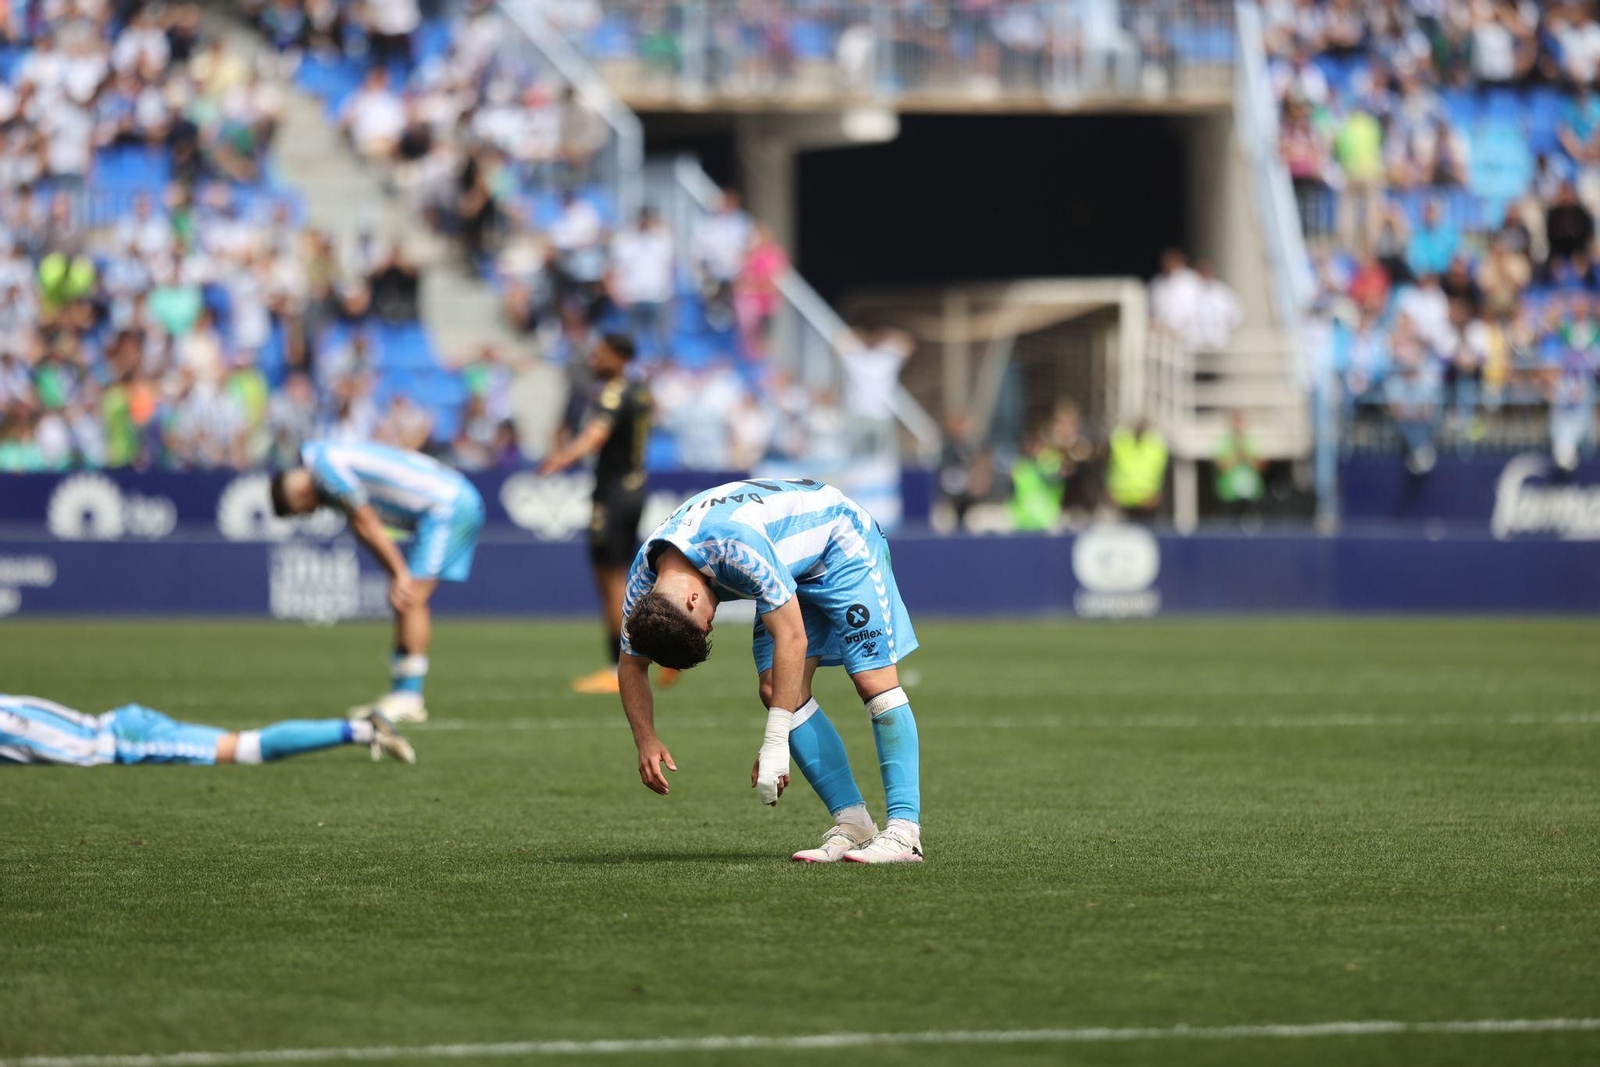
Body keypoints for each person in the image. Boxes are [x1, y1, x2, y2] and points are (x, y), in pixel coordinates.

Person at [616, 479, 925, 865]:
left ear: (693, 600)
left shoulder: (735, 546)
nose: (710, 626)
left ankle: (903, 833)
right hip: (789, 569)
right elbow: (630, 663)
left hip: (840, 543)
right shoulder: (642, 585)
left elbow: (792, 637)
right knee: (774, 687)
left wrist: (775, 741)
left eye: (704, 625)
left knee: (872, 679)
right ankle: (854, 824)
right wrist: (645, 739)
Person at [269, 440, 486, 723]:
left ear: (301, 491)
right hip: (444, 505)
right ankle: (402, 693)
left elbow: (366, 518)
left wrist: (400, 574)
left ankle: (409, 698)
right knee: (404, 596)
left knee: (411, 598)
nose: (313, 512)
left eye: (305, 509)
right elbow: (362, 527)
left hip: (448, 507)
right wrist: (394, 574)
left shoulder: (325, 466)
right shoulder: (324, 462)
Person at [537, 333, 672, 695]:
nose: (593, 360)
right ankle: (667, 648)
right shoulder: (641, 390)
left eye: (599, 354)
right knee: (628, 580)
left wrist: (560, 458)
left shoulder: (614, 392)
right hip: (634, 490)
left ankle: (618, 666)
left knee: (610, 580)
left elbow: (596, 435)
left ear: (618, 356)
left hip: (612, 496)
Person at [1, 694, 414, 766]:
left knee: (246, 749)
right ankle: (360, 731)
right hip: (119, 729)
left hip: (126, 740)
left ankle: (359, 730)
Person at [1106, 418, 1168, 521]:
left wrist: (1157, 494)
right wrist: (1111, 491)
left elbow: (1163, 471)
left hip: (1147, 502)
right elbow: (1109, 467)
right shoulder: (1120, 442)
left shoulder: (1155, 445)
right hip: (1122, 501)